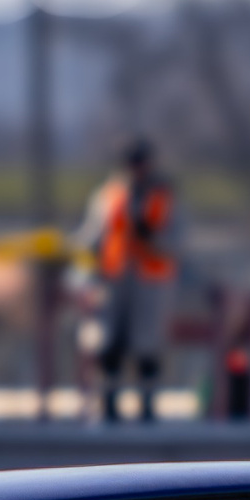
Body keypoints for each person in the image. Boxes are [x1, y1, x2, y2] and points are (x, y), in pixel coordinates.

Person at [75, 137, 181, 422]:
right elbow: (92, 237)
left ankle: (148, 408)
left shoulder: (164, 197)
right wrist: (79, 265)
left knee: (148, 346)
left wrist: (154, 238)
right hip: (114, 282)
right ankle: (109, 407)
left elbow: (179, 240)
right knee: (108, 344)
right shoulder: (109, 195)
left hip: (150, 285)